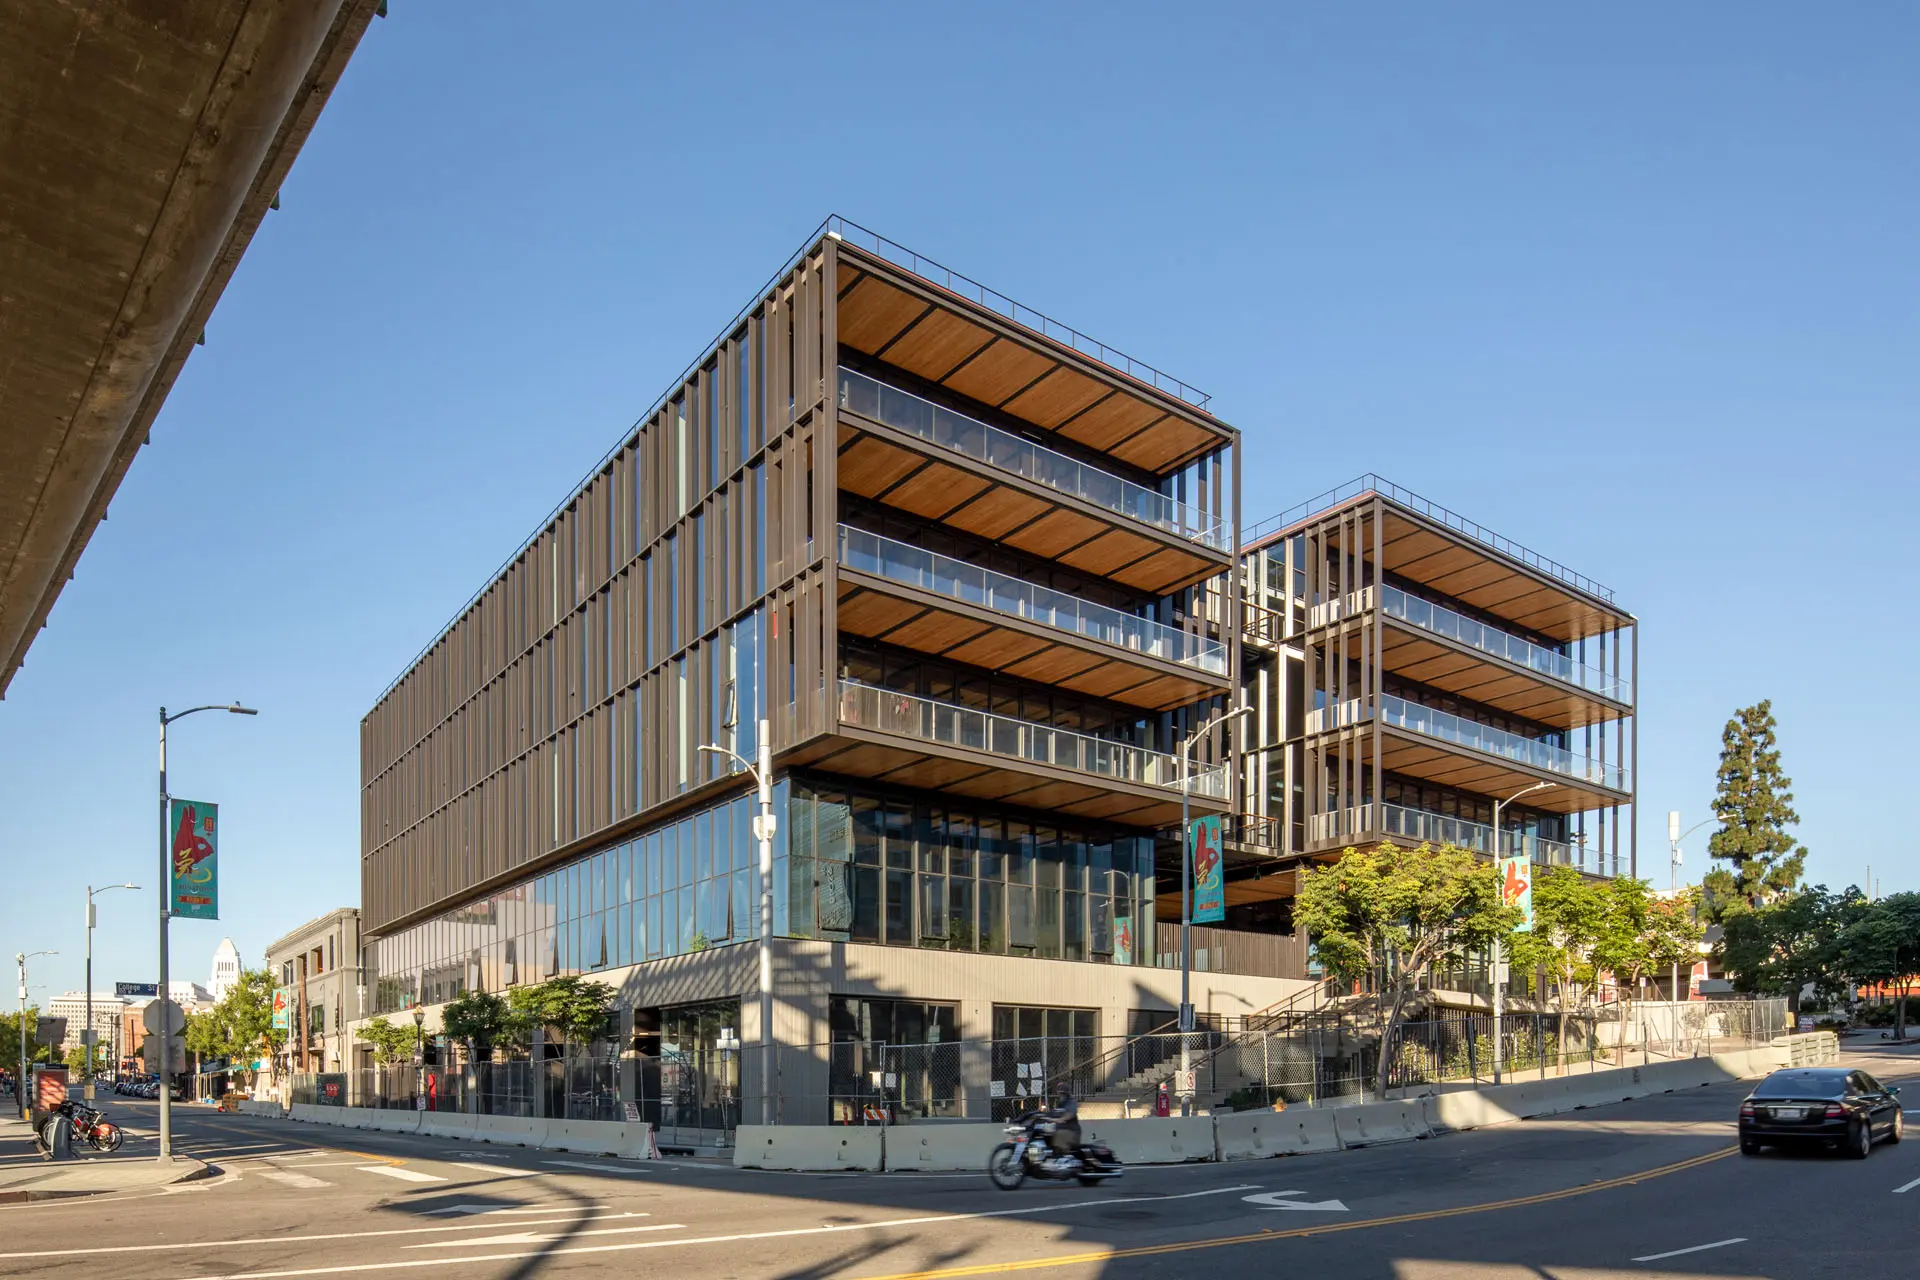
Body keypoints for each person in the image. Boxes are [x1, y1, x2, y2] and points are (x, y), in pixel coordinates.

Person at [1042, 1086, 1081, 1171]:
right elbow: (1051, 1114)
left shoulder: (1071, 1102)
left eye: (1063, 1092)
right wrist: (1040, 1116)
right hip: (1061, 1130)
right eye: (1059, 1092)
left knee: (1059, 1134)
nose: (1061, 1094)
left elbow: (1071, 1113)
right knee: (1045, 1135)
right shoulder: (1060, 1104)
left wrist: (1061, 1119)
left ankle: (1058, 1158)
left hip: (1072, 1131)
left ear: (1067, 1092)